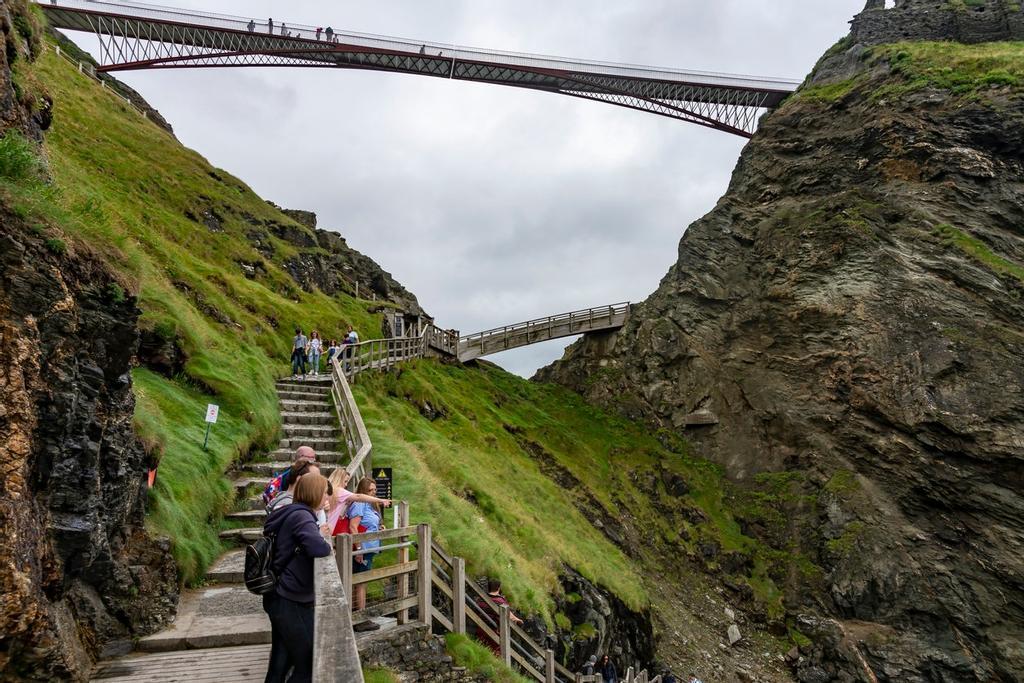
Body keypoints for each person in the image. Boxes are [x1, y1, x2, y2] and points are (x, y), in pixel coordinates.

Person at [262, 473, 333, 683]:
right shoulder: (302, 516)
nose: (327, 498)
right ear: (314, 493)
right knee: (308, 663)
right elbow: (319, 548)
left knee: (280, 664)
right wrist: (323, 539)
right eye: (324, 493)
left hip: (280, 595)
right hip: (290, 598)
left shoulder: (293, 512)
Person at [348, 477, 385, 627]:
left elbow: (369, 524)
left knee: (360, 581)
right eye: (370, 490)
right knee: (360, 582)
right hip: (362, 549)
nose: (374, 493)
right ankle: (361, 619)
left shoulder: (370, 505)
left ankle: (356, 616)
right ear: (363, 490)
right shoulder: (359, 504)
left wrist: (379, 528)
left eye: (375, 490)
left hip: (369, 548)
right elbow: (353, 527)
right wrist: (358, 550)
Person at [326, 468, 392, 533]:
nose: (346, 485)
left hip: (326, 528)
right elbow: (358, 496)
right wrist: (380, 500)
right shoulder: (340, 491)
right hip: (328, 529)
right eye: (345, 481)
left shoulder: (331, 492)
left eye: (375, 490)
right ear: (339, 480)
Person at [475, 578, 523, 655]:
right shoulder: (500, 601)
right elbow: (509, 614)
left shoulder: (481, 599)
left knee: (481, 650)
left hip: (481, 629)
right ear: (499, 588)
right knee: (495, 653)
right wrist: (517, 620)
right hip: (494, 632)